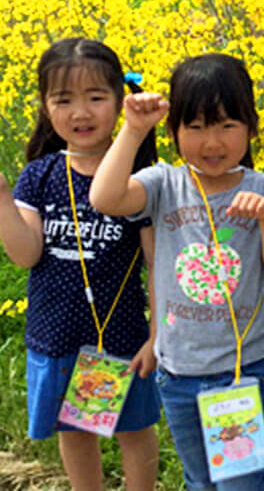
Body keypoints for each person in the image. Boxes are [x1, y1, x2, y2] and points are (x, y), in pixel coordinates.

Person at [90, 53, 264, 491]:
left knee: (241, 484)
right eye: (197, 127)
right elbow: (105, 198)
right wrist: (131, 130)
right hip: (179, 369)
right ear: (174, 131)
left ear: (251, 128)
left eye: (227, 125)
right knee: (201, 481)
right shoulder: (163, 183)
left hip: (245, 367)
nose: (212, 142)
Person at [0, 38, 160, 490]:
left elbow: (155, 263)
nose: (80, 113)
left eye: (95, 97)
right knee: (74, 432)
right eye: (63, 99)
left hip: (122, 336)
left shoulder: (139, 176)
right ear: (45, 106)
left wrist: (157, 334)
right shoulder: (40, 175)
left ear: (120, 99)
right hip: (57, 335)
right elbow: (25, 253)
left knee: (134, 429)